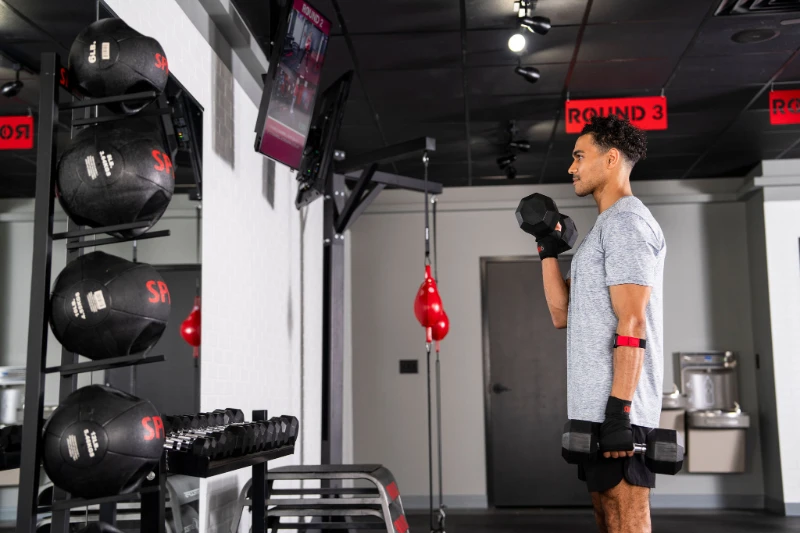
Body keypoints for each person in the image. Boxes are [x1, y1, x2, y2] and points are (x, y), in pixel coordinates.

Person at [537, 114, 666, 533]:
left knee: (627, 518)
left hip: (618, 411)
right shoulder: (601, 231)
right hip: (594, 409)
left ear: (611, 160)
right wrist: (547, 251)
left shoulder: (627, 222)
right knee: (608, 517)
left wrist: (619, 414)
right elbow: (562, 314)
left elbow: (633, 320)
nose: (571, 168)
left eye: (579, 156)